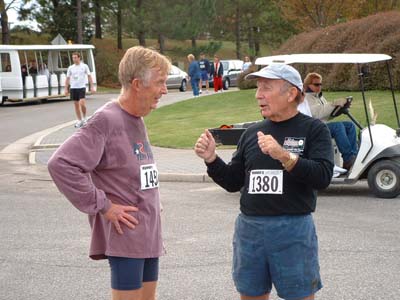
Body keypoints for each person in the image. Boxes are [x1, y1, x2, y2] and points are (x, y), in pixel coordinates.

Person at [194, 63, 333, 300]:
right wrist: (211, 159)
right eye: (258, 88)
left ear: (291, 93)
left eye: (266, 88)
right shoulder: (252, 133)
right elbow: (232, 181)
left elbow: (323, 176)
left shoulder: (314, 129)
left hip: (293, 230)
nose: (258, 95)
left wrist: (285, 156)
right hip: (250, 231)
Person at [48, 46, 170, 300]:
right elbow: (61, 164)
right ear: (137, 84)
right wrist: (104, 206)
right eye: (160, 83)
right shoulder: (106, 120)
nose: (164, 90)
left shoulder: (137, 117)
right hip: (126, 239)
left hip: (149, 235)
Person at [304, 72, 358, 170]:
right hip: (314, 129)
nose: (319, 87)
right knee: (338, 127)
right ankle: (348, 158)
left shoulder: (318, 96)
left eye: (320, 84)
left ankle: (354, 156)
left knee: (349, 125)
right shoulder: (307, 98)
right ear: (308, 85)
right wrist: (333, 104)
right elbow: (318, 113)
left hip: (322, 125)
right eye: (316, 84)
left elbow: (326, 115)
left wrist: (337, 111)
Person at [65, 52, 96, 128]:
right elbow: (67, 78)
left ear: (79, 58)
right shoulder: (70, 68)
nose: (74, 59)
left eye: (75, 57)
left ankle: (85, 117)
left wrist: (92, 86)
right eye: (73, 58)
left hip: (81, 87)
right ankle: (79, 120)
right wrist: (66, 88)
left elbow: (89, 76)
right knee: (76, 105)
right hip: (73, 88)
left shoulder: (84, 66)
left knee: (82, 103)